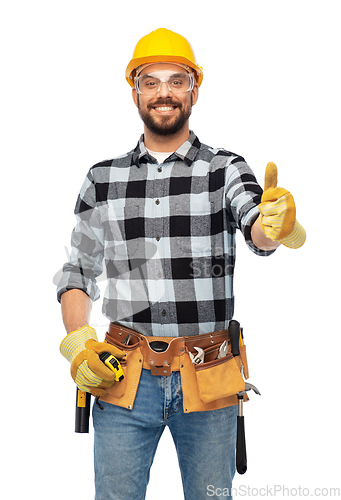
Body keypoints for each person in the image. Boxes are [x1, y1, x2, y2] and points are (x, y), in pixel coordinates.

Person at [57, 28, 306, 500]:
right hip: (122, 376)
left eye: (177, 80)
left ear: (195, 89)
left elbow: (258, 226)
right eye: (150, 82)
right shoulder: (103, 178)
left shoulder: (225, 169)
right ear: (134, 91)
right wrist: (77, 342)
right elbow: (78, 272)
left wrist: (278, 225)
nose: (164, 92)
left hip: (207, 378)